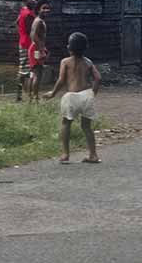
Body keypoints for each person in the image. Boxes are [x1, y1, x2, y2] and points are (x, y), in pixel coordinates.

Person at [44, 32, 102, 164]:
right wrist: (93, 94)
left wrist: (53, 93)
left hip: (71, 96)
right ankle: (93, 154)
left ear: (69, 47)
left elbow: (61, 80)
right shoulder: (88, 62)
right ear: (85, 47)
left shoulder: (65, 62)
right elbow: (98, 78)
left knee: (66, 123)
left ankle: (65, 154)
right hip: (86, 95)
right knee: (87, 127)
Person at [27, 0, 52, 102]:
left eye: (48, 8)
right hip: (36, 49)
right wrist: (41, 50)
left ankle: (31, 97)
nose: (46, 10)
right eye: (44, 8)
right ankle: (36, 98)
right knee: (38, 73)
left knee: (33, 73)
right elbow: (33, 36)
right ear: (38, 10)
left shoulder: (38, 20)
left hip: (34, 48)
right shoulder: (39, 21)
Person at [15, 0, 37, 102]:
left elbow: (17, 22)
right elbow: (31, 32)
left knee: (22, 69)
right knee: (29, 71)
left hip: (23, 42)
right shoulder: (28, 14)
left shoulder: (23, 11)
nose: (33, 0)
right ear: (25, 1)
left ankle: (19, 95)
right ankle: (30, 96)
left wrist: (21, 32)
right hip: (28, 45)